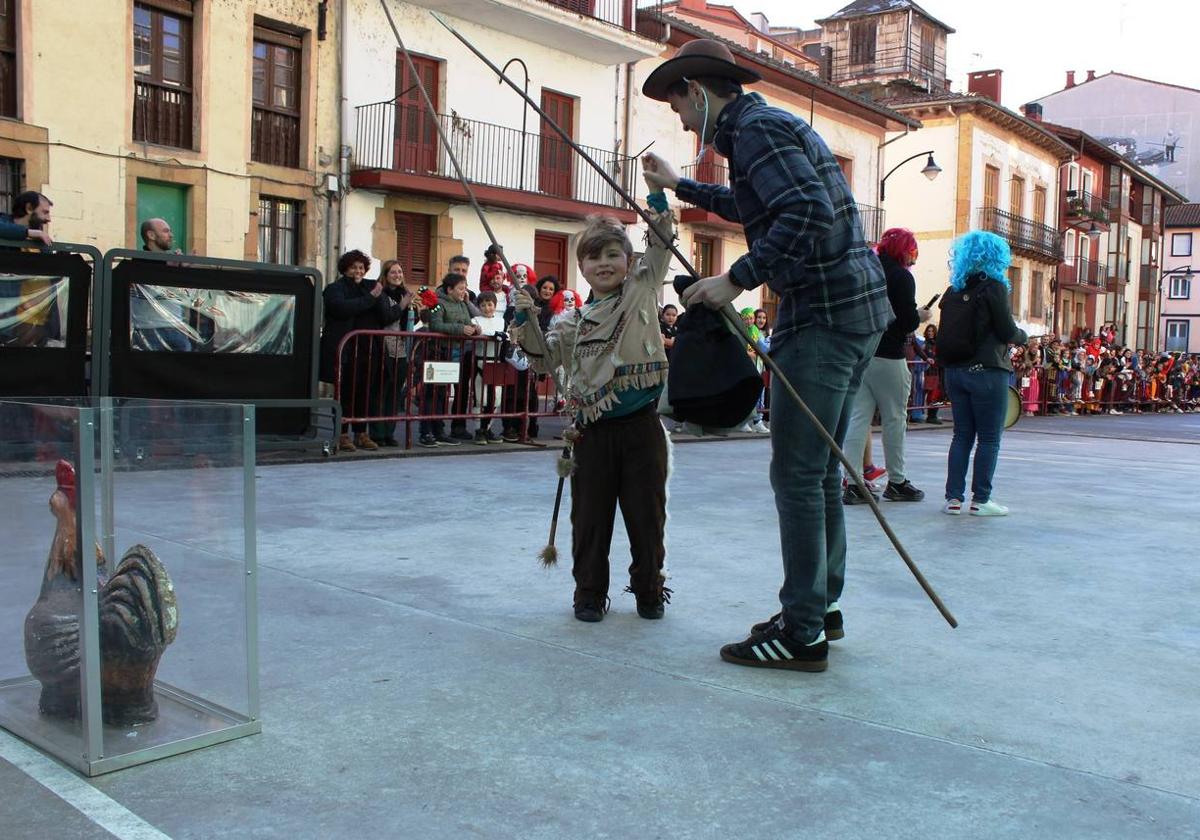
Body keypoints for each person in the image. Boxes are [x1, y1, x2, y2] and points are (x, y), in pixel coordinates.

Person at [641, 38, 891, 671]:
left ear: (697, 90)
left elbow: (803, 211)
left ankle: (802, 632)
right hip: (852, 314)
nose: (679, 120)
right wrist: (684, 185)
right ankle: (820, 608)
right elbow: (760, 205)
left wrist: (738, 277)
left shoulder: (755, 132)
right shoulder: (762, 127)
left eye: (677, 105)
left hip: (823, 319)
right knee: (820, 472)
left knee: (799, 475)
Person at [512, 183, 674, 623]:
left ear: (628, 261)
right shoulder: (571, 323)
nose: (603, 263)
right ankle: (588, 594)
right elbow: (543, 359)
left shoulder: (642, 290)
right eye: (593, 256)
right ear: (581, 266)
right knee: (589, 521)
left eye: (612, 255)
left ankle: (649, 590)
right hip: (590, 433)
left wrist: (659, 203)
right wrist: (523, 317)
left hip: (641, 428)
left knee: (647, 517)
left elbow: (661, 246)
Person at [939, 231, 1027, 517]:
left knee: (961, 435)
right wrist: (1023, 336)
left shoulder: (953, 290)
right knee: (989, 438)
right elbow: (1006, 330)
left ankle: (953, 499)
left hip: (955, 371)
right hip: (988, 371)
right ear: (996, 256)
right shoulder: (993, 288)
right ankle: (981, 499)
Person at [841, 227, 930, 505]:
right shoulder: (902, 277)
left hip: (860, 353)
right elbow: (905, 321)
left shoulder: (867, 271)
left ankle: (853, 482)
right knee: (894, 418)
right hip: (889, 354)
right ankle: (897, 480)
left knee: (858, 419)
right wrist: (920, 316)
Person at [320, 249, 386, 452]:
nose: (358, 271)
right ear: (345, 269)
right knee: (344, 394)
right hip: (344, 349)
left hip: (365, 350)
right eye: (353, 267)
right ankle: (342, 434)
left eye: (361, 267)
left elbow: (382, 310)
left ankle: (361, 433)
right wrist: (370, 298)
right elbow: (341, 308)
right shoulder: (335, 288)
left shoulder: (367, 288)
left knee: (364, 393)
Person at [418, 272, 481, 447]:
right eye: (461, 288)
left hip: (455, 352)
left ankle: (439, 430)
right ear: (450, 289)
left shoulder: (462, 305)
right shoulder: (437, 304)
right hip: (439, 352)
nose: (463, 291)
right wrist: (461, 329)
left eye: (465, 288)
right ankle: (426, 431)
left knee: (443, 394)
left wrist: (475, 328)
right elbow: (436, 325)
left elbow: (469, 321)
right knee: (432, 393)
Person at [370, 259, 417, 447]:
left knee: (395, 394)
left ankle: (389, 432)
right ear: (386, 275)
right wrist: (404, 304)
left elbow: (409, 321)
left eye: (400, 272)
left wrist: (414, 309)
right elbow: (386, 316)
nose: (398, 275)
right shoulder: (380, 294)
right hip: (384, 347)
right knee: (381, 391)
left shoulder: (403, 294)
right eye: (393, 272)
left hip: (401, 349)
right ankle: (377, 432)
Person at [130, 218, 192, 352]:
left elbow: (182, 295)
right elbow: (146, 293)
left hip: (177, 327)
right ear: (151, 235)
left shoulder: (170, 261)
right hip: (149, 330)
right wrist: (168, 271)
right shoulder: (139, 261)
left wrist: (184, 270)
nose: (171, 235)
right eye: (165, 231)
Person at [471, 291, 506, 444]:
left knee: (496, 398)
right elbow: (476, 333)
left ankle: (488, 428)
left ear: (495, 305)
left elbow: (508, 335)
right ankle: (479, 430)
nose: (487, 308)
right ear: (479, 306)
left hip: (496, 362)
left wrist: (505, 336)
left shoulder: (501, 320)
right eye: (483, 305)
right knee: (481, 398)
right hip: (480, 361)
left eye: (490, 304)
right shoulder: (475, 320)